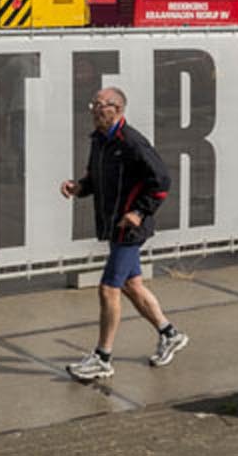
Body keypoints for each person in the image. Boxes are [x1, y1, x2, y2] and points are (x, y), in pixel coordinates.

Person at [59, 87, 187, 380]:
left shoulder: (132, 142)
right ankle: (170, 334)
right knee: (132, 286)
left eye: (100, 105)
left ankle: (102, 358)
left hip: (130, 229)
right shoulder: (100, 141)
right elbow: (95, 178)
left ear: (116, 109)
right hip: (113, 224)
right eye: (93, 104)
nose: (93, 109)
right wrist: (79, 187)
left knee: (108, 289)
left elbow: (162, 181)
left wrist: (139, 212)